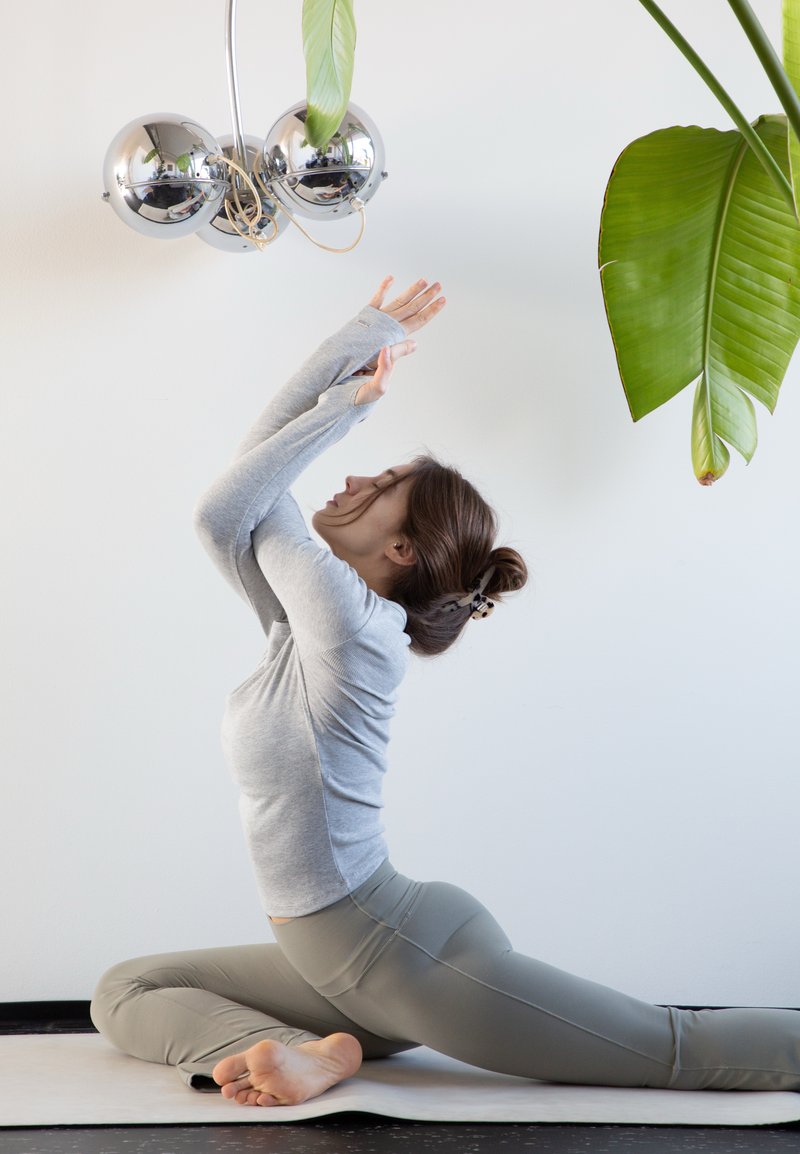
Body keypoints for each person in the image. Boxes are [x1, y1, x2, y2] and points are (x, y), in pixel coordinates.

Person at [91, 278, 800, 1107]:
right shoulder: (298, 625)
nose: (353, 474)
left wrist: (350, 402)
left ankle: (317, 1049)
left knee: (672, 1047)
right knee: (126, 989)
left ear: (398, 547)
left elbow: (232, 498)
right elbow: (239, 494)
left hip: (403, 959)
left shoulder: (356, 630)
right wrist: (364, 335)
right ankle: (305, 1050)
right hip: (336, 966)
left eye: (382, 479)